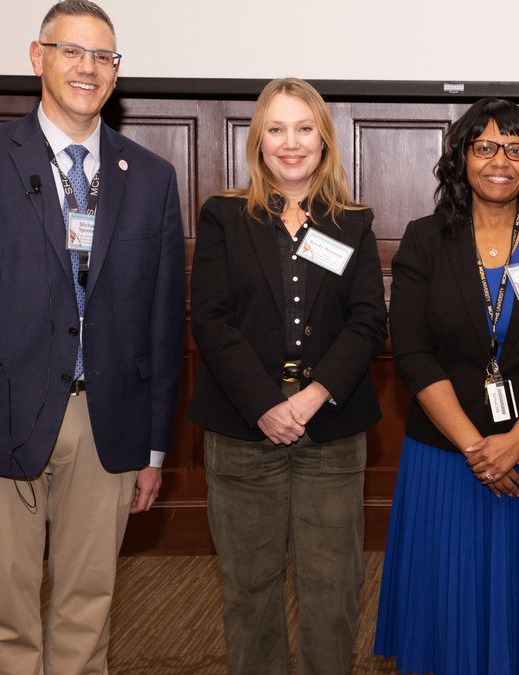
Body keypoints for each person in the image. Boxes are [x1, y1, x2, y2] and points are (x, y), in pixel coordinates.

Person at [0, 1, 185, 672]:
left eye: (103, 57)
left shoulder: (150, 177)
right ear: (39, 58)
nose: (87, 68)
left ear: (116, 73)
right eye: (72, 51)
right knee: (6, 613)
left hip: (109, 424)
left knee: (88, 605)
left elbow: (162, 319)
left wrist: (154, 444)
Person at [374, 98, 519, 675]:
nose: (501, 161)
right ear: (462, 159)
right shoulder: (425, 239)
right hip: (447, 458)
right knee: (447, 604)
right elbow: (414, 352)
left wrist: (514, 443)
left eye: (517, 150)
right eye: (486, 147)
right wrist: (479, 449)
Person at [188, 77, 387, 675]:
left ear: (324, 141)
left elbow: (368, 322)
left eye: (304, 129)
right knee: (249, 588)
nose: (291, 142)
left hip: (331, 431)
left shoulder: (350, 222)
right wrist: (266, 405)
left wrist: (311, 398)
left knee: (333, 589)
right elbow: (212, 320)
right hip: (243, 432)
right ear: (258, 140)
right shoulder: (224, 216)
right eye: (276, 128)